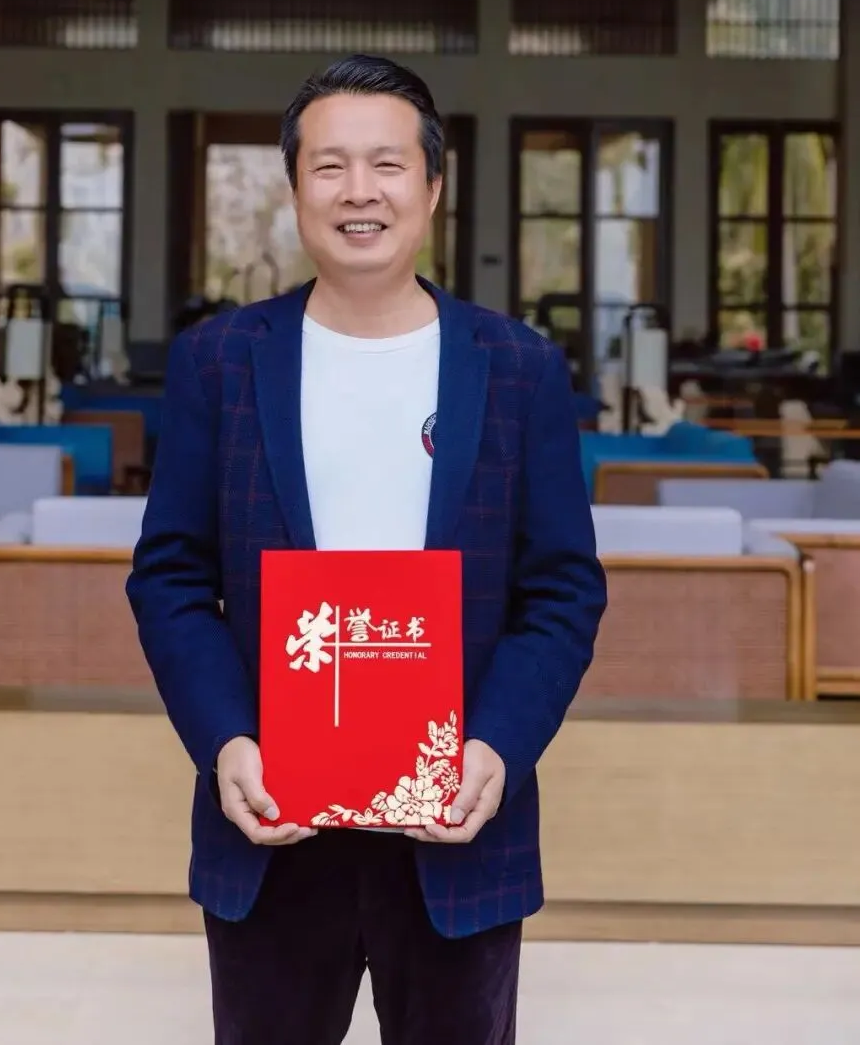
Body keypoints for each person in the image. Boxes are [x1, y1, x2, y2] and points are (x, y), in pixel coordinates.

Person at [127, 54, 606, 1045]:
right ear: (294, 188)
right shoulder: (219, 362)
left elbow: (562, 590)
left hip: (456, 826)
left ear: (432, 186)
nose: (359, 191)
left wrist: (497, 746)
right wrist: (226, 742)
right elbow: (171, 576)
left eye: (386, 164)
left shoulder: (517, 368)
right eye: (329, 165)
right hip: (273, 818)